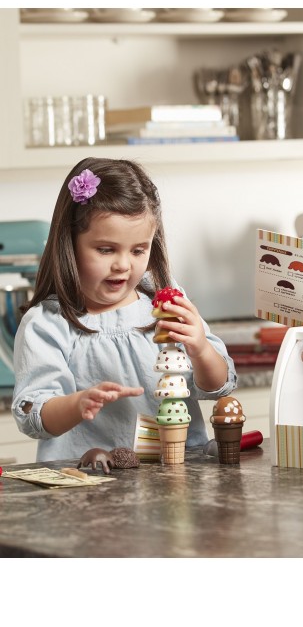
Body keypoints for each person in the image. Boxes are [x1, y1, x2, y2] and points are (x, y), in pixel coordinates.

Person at [12, 157, 237, 460]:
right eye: (105, 249)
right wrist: (77, 404)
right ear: (70, 243)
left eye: (138, 250)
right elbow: (34, 415)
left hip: (178, 475)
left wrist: (199, 348)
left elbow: (217, 386)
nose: (123, 264)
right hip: (90, 489)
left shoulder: (164, 299)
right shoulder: (48, 323)